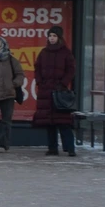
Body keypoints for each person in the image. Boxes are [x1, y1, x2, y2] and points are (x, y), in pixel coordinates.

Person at [33, 25, 77, 156]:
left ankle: (70, 148)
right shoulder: (44, 52)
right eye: (50, 36)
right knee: (49, 122)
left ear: (59, 38)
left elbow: (71, 70)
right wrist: (40, 82)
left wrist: (63, 83)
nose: (51, 38)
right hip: (46, 91)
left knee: (64, 122)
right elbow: (37, 68)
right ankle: (52, 148)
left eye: (54, 36)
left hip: (60, 92)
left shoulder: (66, 53)